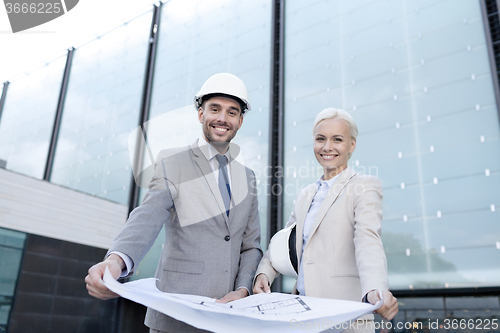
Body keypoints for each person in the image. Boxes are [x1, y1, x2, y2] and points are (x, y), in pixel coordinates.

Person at [85, 73, 262, 333]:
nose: (223, 118)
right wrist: (116, 261)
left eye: (232, 112)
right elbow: (148, 216)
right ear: (201, 114)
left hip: (228, 317)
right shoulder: (173, 161)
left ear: (240, 121)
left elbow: (251, 246)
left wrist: (243, 289)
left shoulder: (248, 177)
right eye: (215, 109)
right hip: (175, 315)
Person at [253, 108, 398, 331]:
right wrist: (264, 273)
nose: (327, 147)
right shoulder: (305, 194)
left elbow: (368, 241)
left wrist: (376, 289)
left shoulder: (364, 186)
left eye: (337, 139)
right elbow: (284, 243)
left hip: (344, 317)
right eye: (321, 139)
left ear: (352, 145)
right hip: (302, 315)